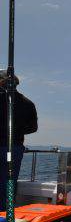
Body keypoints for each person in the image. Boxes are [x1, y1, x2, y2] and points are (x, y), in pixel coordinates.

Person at [0, 70, 38, 211]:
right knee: (10, 182)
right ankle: (6, 214)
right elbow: (33, 128)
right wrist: (17, 131)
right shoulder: (28, 103)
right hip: (15, 148)